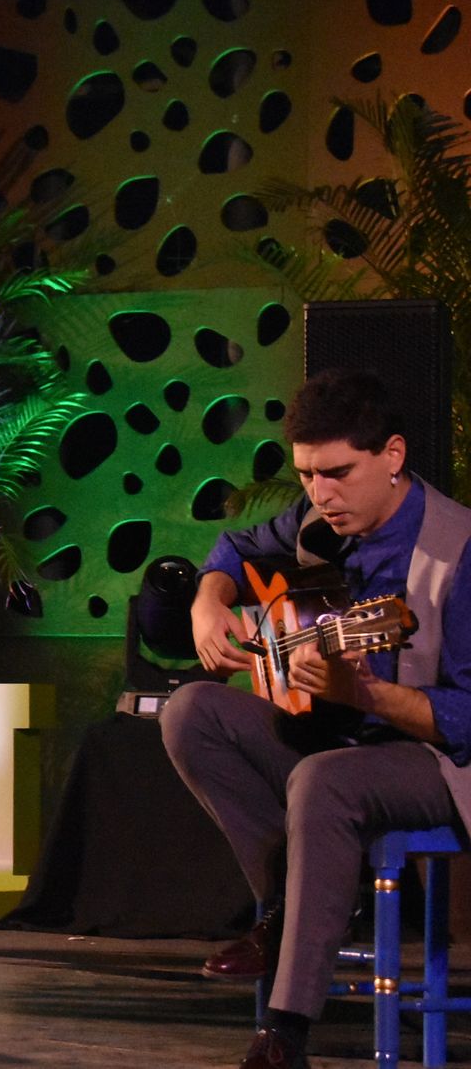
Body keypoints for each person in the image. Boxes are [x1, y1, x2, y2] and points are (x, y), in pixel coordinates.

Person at [159, 369, 471, 1069]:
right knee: (190, 712)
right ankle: (287, 906)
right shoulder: (319, 526)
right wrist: (207, 602)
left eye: (337, 474)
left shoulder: (460, 552)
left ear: (393, 456)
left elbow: (467, 717)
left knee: (325, 781)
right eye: (305, 475)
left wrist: (367, 696)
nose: (320, 495)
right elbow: (233, 551)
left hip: (440, 766)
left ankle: (285, 1033)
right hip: (342, 742)